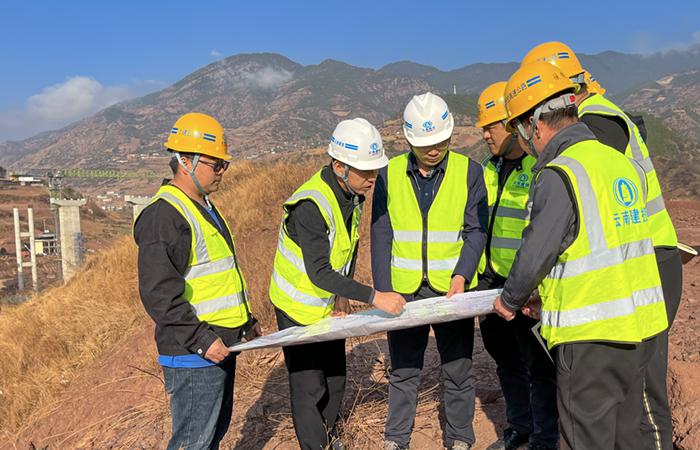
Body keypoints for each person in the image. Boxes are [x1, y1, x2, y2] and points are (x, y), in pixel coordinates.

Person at [493, 61, 668, 449]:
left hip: (591, 339)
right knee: (627, 436)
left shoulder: (561, 172)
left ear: (534, 124)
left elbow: (537, 251)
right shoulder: (620, 163)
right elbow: (601, 247)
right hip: (641, 329)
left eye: (520, 131)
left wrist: (510, 299)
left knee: (586, 439)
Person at [269, 117, 406, 450]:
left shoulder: (352, 194)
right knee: (308, 387)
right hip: (297, 308)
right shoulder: (310, 206)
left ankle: (330, 437)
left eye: (375, 170)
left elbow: (348, 247)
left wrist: (341, 297)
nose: (372, 178)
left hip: (327, 306)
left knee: (335, 379)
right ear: (339, 166)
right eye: (365, 171)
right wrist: (374, 296)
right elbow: (318, 272)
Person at [134, 112, 261, 450]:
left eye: (224, 165)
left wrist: (245, 323)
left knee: (211, 436)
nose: (222, 172)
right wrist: (202, 340)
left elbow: (217, 277)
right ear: (185, 161)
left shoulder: (204, 205)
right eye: (216, 164)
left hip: (220, 345)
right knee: (194, 443)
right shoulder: (164, 215)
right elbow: (159, 294)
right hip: (194, 354)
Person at [372, 92, 487, 450]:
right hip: (404, 291)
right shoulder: (388, 174)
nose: (434, 150)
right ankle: (396, 438)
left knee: (458, 368)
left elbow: (476, 231)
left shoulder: (470, 172)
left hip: (452, 289)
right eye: (425, 145)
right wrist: (384, 288)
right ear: (408, 141)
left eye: (441, 142)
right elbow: (381, 233)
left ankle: (460, 437)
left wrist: (461, 275)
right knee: (404, 369)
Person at [475, 82, 558, 450]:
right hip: (491, 282)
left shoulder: (538, 168)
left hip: (528, 286)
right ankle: (519, 426)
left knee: (539, 366)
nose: (485, 134)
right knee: (506, 361)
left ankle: (545, 436)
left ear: (511, 125)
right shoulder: (486, 169)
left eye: (490, 126)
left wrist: (532, 283)